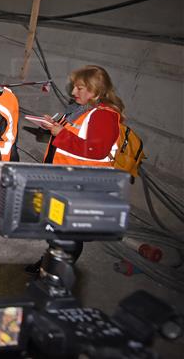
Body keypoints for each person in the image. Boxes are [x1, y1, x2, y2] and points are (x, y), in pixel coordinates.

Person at [25, 64, 124, 274]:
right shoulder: (83, 110)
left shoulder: (104, 116)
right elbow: (76, 136)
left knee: (68, 233)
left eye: (80, 88)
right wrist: (54, 126)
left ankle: (57, 273)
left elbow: (95, 150)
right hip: (64, 182)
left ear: (95, 90)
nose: (73, 92)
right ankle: (50, 262)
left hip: (79, 187)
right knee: (57, 229)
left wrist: (60, 133)